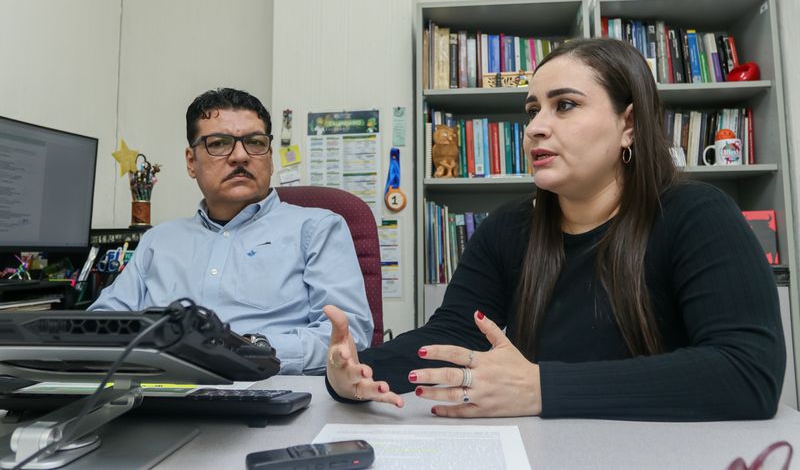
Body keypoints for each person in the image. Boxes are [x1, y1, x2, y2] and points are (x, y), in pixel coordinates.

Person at [324, 38, 785, 420]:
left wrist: (542, 387)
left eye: (564, 105)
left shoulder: (699, 215)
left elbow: (748, 372)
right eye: (532, 110)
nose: (536, 128)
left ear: (629, 124)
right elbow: (450, 339)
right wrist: (354, 372)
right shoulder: (507, 229)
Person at [90, 87, 373, 375]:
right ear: (191, 162)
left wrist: (249, 350)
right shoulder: (157, 241)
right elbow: (101, 322)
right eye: (220, 143)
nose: (240, 156)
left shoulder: (318, 229)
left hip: (273, 394)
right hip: (160, 395)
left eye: (255, 142)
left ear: (270, 158)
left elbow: (348, 336)